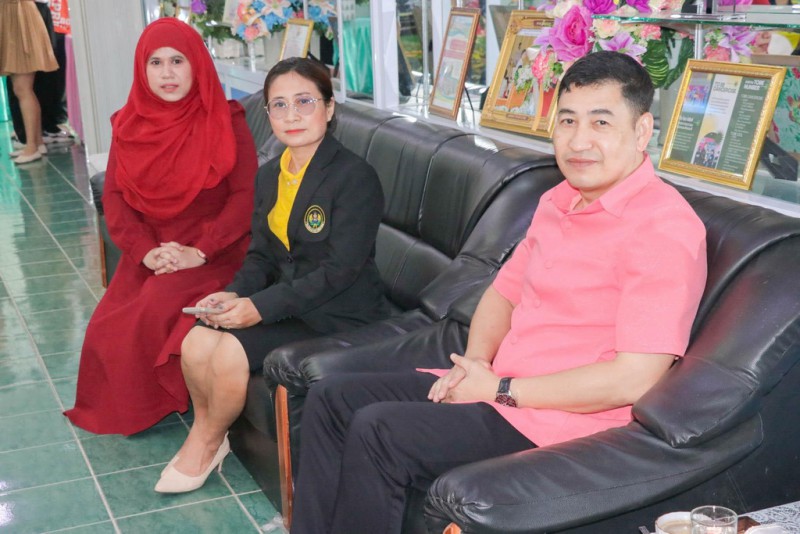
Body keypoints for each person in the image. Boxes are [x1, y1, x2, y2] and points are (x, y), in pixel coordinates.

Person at [290, 51, 709, 534]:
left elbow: (632, 380)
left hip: (560, 420)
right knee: (332, 397)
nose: (579, 141)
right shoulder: (559, 200)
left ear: (641, 131)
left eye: (600, 122)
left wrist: (501, 391)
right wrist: (476, 364)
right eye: (567, 121)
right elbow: (501, 295)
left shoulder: (663, 228)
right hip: (501, 389)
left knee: (379, 430)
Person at [154, 57, 391, 494]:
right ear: (268, 114)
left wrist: (260, 308)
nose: (292, 115)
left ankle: (205, 443)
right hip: (290, 302)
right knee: (196, 341)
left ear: (329, 108)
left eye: (305, 102)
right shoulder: (269, 176)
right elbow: (261, 255)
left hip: (339, 313)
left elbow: (339, 271)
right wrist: (232, 294)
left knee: (229, 351)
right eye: (279, 105)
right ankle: (209, 433)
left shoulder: (355, 177)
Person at [64, 18, 257, 435]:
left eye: (177, 61)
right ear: (142, 69)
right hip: (155, 253)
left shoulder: (227, 119)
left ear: (197, 64)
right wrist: (147, 252)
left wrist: (200, 251)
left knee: (152, 307)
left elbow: (245, 198)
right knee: (106, 326)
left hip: (216, 252)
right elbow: (115, 197)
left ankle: (156, 406)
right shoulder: (128, 124)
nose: (167, 73)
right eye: (155, 62)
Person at [0, 0, 59, 164]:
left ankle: (32, 147)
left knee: (22, 89)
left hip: (19, 21)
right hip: (15, 18)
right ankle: (37, 142)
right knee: (23, 89)